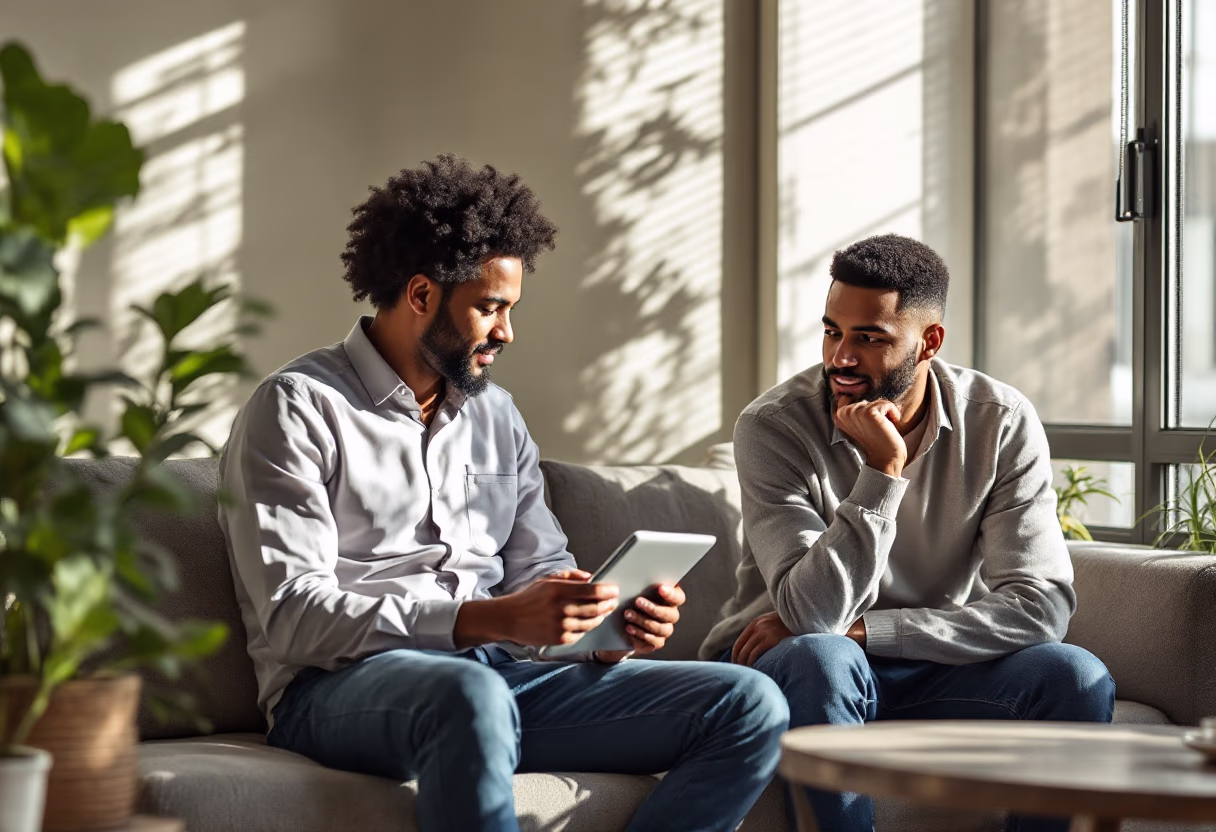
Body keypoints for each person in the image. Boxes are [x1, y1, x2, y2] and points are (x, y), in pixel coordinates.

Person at [217, 154, 789, 832]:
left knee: (749, 703)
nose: (506, 332)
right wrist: (483, 620)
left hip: (498, 678)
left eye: (510, 309)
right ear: (422, 295)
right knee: (468, 690)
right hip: (338, 690)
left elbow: (539, 572)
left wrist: (599, 628)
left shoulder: (496, 416)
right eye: (490, 308)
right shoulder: (297, 407)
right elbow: (293, 616)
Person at [699, 233, 1115, 832]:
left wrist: (873, 631)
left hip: (922, 657)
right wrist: (881, 474)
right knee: (825, 655)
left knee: (1075, 676)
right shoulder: (773, 427)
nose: (840, 357)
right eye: (832, 331)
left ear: (929, 342)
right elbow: (812, 615)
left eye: (869, 338)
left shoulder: (1000, 421)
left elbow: (1039, 607)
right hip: (790, 667)